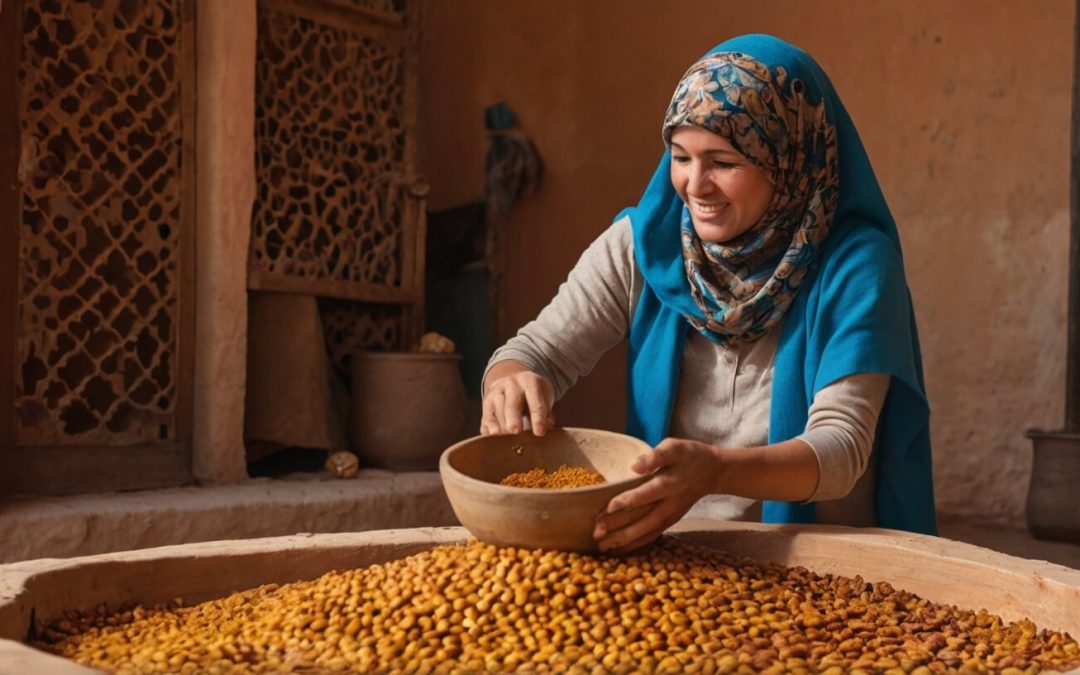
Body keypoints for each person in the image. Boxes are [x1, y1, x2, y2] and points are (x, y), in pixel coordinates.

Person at [480, 33, 937, 554]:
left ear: (786, 161)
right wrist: (511, 381)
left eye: (724, 162)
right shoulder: (647, 244)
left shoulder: (855, 266)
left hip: (814, 558)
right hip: (672, 549)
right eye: (680, 156)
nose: (695, 185)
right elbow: (535, 351)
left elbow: (839, 451)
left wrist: (715, 470)